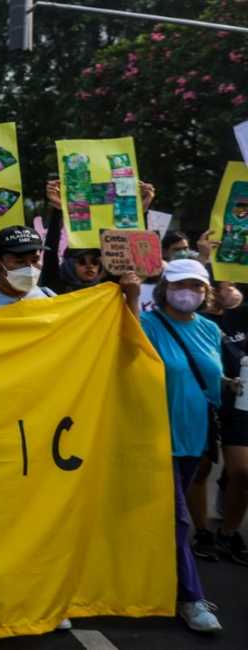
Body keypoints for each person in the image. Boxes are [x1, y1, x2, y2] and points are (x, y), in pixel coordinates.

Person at [138, 259, 229, 632]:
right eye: (179, 284)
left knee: (163, 520)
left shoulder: (210, 329)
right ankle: (190, 598)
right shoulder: (148, 324)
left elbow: (212, 379)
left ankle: (158, 586)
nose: (187, 291)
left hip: (195, 437)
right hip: (155, 437)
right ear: (164, 288)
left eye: (196, 285)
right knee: (178, 520)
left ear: (206, 291)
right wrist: (129, 290)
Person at [190, 276, 248, 566]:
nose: (229, 289)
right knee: (200, 468)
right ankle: (201, 531)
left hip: (241, 402)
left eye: (234, 284)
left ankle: (228, 532)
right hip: (203, 400)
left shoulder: (243, 316)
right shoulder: (191, 317)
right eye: (221, 284)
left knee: (243, 471)